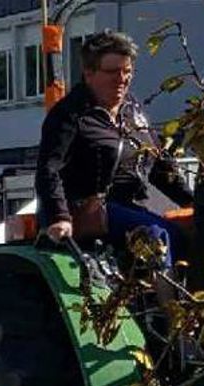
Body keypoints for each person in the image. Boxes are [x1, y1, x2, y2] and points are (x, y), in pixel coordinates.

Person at [37, 30, 192, 262]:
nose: (122, 79)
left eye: (127, 71)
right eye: (112, 72)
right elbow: (49, 170)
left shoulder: (133, 112)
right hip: (86, 210)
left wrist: (192, 202)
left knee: (188, 234)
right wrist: (60, 217)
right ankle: (168, 298)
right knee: (156, 236)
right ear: (89, 74)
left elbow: (159, 167)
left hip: (127, 207)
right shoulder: (69, 115)